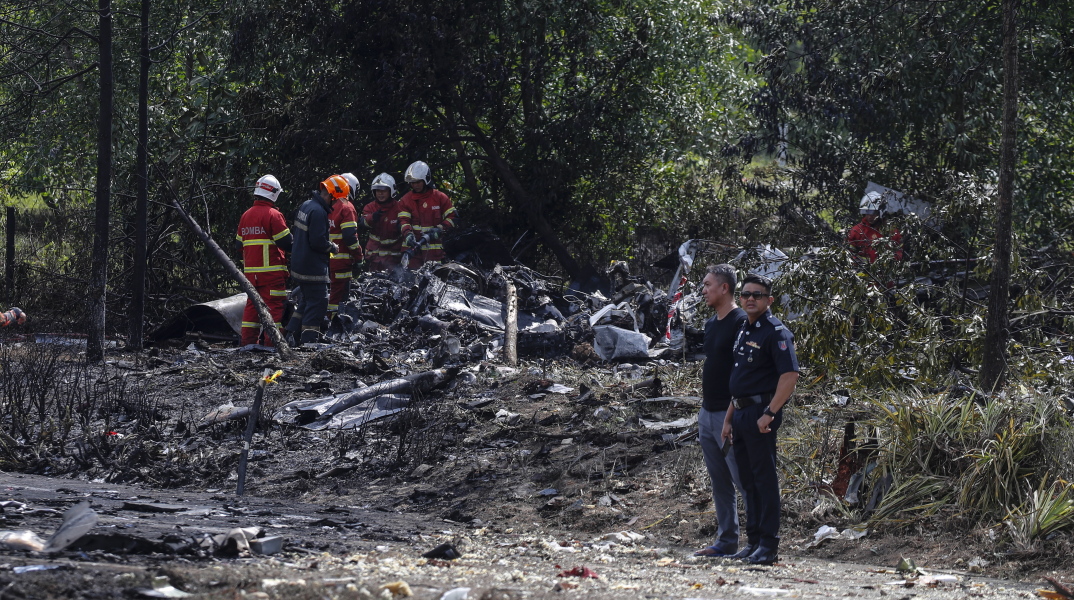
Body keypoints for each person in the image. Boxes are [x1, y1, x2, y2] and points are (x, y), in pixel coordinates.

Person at [724, 274, 799, 565]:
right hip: (741, 413)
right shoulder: (744, 328)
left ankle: (769, 545)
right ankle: (753, 541)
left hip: (760, 415)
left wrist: (770, 413)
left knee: (764, 480)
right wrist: (729, 418)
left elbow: (789, 376)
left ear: (769, 300)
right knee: (748, 481)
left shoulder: (775, 332)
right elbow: (739, 378)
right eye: (745, 295)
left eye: (757, 294)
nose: (750, 299)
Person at [693, 264, 749, 558]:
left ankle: (757, 543)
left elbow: (742, 374)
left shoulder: (741, 322)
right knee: (719, 481)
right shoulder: (712, 323)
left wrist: (731, 413)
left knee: (742, 479)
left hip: (729, 415)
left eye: (707, 285)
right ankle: (726, 540)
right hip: (707, 412)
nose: (703, 290)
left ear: (724, 288)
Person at [285, 175, 348, 345]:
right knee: (319, 303)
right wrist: (332, 247)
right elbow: (317, 241)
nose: (336, 205)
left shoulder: (306, 205)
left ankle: (290, 335)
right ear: (331, 196)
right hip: (312, 268)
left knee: (306, 301)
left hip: (299, 265)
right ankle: (309, 343)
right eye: (337, 201)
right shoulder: (319, 212)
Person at [235, 174, 292, 347]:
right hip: (271, 274)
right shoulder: (274, 215)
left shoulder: (246, 215)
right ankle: (271, 345)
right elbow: (287, 243)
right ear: (274, 193)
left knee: (252, 309)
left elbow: (238, 244)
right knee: (274, 308)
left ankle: (247, 344)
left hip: (251, 275)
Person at [398, 161, 457, 268]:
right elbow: (403, 221)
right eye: (412, 182)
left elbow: (453, 217)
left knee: (435, 282)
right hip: (413, 253)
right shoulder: (406, 200)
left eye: (418, 182)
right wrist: (407, 235)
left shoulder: (440, 198)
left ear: (426, 180)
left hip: (434, 254)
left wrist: (440, 229)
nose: (414, 185)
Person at [327, 173, 364, 320]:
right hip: (341, 263)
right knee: (338, 300)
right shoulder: (346, 207)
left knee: (328, 296)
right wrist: (359, 257)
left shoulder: (328, 205)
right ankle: (333, 328)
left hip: (325, 262)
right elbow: (350, 238)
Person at [361, 172, 404, 271]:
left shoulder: (399, 208)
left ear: (391, 191)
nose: (380, 193)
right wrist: (372, 218)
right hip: (375, 258)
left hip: (394, 258)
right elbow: (362, 223)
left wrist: (400, 226)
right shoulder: (370, 207)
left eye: (384, 190)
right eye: (378, 190)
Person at [847, 191, 903, 263]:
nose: (870, 216)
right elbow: (849, 252)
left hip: (884, 272)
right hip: (861, 272)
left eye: (873, 213)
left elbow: (899, 252)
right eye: (867, 212)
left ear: (881, 212)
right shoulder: (856, 230)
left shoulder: (891, 231)